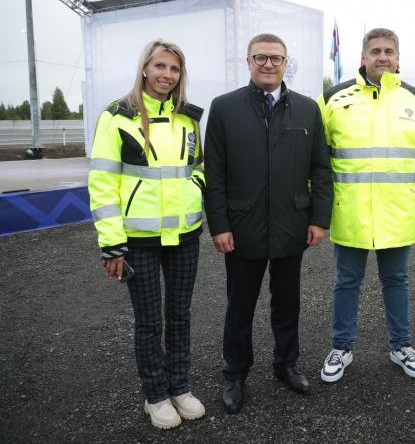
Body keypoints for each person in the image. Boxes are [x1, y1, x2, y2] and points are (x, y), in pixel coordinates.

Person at [204, 33, 332, 413]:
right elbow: (215, 173)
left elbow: (320, 169)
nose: (268, 64)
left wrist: (319, 219)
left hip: (292, 224)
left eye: (276, 58)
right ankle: (235, 372)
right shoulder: (224, 108)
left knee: (287, 302)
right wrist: (219, 225)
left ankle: (286, 365)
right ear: (248, 62)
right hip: (242, 227)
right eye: (260, 57)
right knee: (239, 306)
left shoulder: (307, 110)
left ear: (286, 63)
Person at [88, 39, 206, 429]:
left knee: (180, 316)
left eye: (174, 69)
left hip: (185, 235)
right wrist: (111, 244)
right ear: (144, 68)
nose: (166, 75)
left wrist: (197, 189)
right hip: (138, 240)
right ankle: (155, 395)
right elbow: (102, 184)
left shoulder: (188, 119)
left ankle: (179, 387)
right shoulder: (116, 117)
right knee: (150, 322)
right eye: (160, 66)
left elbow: (198, 168)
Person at [317, 28, 415, 383]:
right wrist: (320, 205)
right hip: (349, 211)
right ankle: (341, 347)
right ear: (363, 57)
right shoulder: (333, 99)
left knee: (397, 281)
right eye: (375, 51)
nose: (383, 57)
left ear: (398, 58)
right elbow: (316, 157)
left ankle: (401, 346)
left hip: (399, 212)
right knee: (347, 281)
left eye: (389, 51)